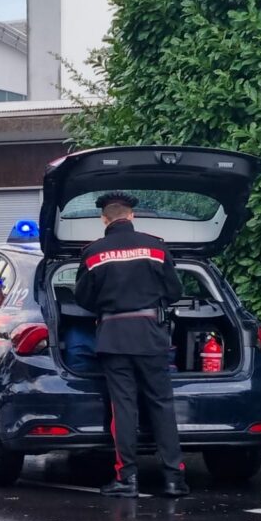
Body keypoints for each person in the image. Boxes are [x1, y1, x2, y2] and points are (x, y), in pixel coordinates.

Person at [74, 191, 188, 498]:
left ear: (104, 219)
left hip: (113, 336)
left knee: (124, 408)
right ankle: (174, 478)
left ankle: (127, 478)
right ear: (131, 216)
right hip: (151, 335)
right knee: (162, 405)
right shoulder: (156, 248)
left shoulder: (94, 253)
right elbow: (175, 291)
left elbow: (83, 298)